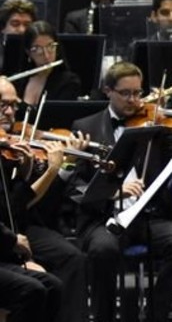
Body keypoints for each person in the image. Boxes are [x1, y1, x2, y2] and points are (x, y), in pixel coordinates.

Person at [71, 61, 172, 322]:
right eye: (126, 93)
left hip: (146, 215)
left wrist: (163, 129)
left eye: (138, 93)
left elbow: (171, 162)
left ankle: (157, 313)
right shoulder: (85, 126)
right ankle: (104, 317)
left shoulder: (152, 123)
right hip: (104, 218)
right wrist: (112, 191)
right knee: (103, 250)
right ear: (108, 91)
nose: (134, 100)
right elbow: (74, 184)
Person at [0, 76, 86, 322]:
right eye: (2, 105)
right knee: (36, 287)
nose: (9, 113)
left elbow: (19, 202)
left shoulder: (12, 148)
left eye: (14, 105)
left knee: (73, 258)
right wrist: (50, 171)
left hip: (20, 222)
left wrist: (33, 170)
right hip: (10, 227)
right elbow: (15, 206)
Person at [20, 21, 84, 104]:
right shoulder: (19, 82)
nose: (46, 56)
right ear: (28, 53)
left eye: (50, 46)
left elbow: (56, 114)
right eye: (38, 49)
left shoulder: (69, 82)